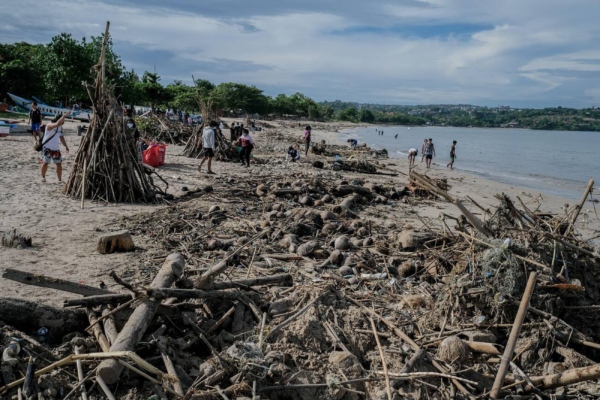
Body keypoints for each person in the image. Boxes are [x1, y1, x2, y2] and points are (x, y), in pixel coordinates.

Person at [40, 111, 71, 183]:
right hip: (47, 147)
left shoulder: (60, 127)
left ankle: (59, 179)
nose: (63, 121)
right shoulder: (49, 125)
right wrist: (64, 116)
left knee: (58, 163)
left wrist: (66, 146)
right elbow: (57, 124)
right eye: (62, 120)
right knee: (46, 162)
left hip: (55, 148)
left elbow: (61, 137)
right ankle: (43, 177)